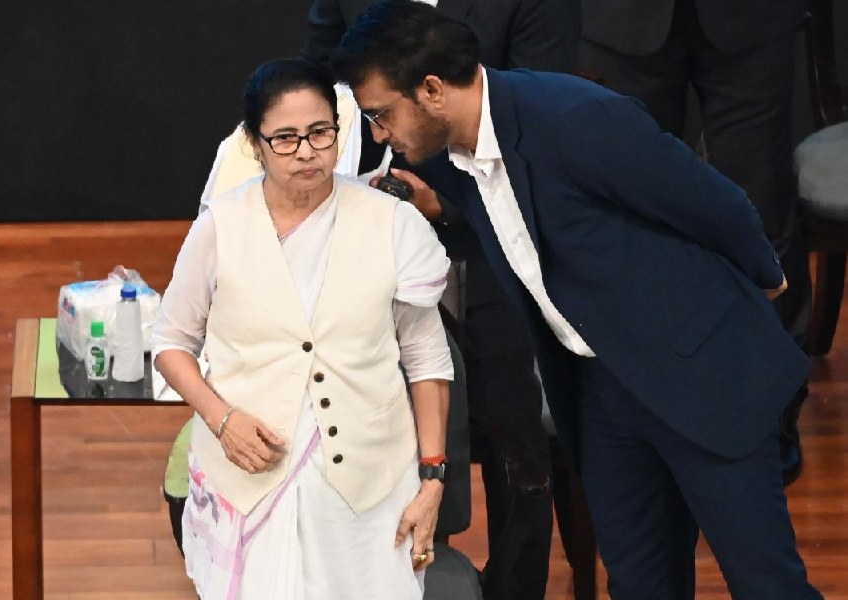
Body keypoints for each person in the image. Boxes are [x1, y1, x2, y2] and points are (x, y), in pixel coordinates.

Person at [330, 1, 824, 598]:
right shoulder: (448, 155)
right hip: (601, 392)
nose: (381, 135)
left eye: (382, 115)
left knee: (766, 584)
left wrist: (759, 285)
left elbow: (716, 204)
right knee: (639, 584)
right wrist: (442, 214)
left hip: (700, 379)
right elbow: (522, 227)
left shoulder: (575, 117)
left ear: (432, 89)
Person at [303, 2, 582, 598]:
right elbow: (313, 83)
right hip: (358, 224)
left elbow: (535, 132)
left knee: (514, 420)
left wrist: (448, 207)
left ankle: (514, 584)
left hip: (492, 235)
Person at [152, 58, 452, 600]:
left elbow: (428, 358)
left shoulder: (391, 223)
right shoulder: (220, 226)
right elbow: (171, 343)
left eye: (320, 133)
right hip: (251, 477)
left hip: (371, 485)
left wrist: (432, 477)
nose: (307, 151)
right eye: (285, 139)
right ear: (255, 143)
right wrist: (223, 421)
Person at [577, 0, 812, 486]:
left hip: (751, 20)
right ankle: (648, 415)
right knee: (631, 217)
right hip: (619, 17)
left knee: (760, 211)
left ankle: (770, 414)